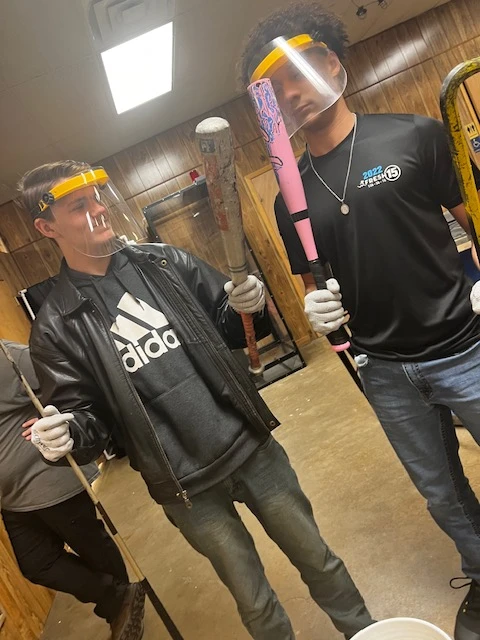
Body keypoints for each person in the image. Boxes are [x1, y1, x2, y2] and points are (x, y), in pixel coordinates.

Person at [16, 159, 375, 640]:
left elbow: (232, 324)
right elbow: (89, 424)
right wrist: (66, 434)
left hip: (250, 448)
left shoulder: (165, 263)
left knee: (320, 561)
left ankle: (365, 632)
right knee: (255, 601)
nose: (98, 211)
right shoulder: (56, 327)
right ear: (46, 227)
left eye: (98, 199)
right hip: (186, 488)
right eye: (79, 207)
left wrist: (248, 305)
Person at [239, 4, 480, 640]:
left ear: (332, 65)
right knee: (442, 493)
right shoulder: (288, 194)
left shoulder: (414, 136)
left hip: (465, 346)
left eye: (300, 73)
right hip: (385, 370)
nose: (292, 94)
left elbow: (472, 218)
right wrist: (320, 310)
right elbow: (316, 282)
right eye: (276, 89)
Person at [0, 340, 145, 640]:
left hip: (48, 478)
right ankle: (120, 599)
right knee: (36, 564)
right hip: (12, 499)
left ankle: (125, 613)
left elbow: (67, 379)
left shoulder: (7, 356)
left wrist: (50, 418)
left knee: (92, 546)